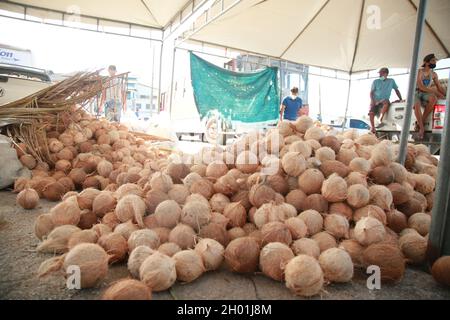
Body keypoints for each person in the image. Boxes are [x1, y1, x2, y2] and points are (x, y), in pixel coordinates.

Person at [414, 53, 446, 139]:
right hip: (416, 92)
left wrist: (445, 95)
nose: (435, 62)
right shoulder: (420, 71)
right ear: (426, 62)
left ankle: (419, 123)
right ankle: (421, 128)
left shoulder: (434, 74)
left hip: (425, 93)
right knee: (416, 103)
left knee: (434, 98)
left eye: (435, 60)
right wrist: (434, 91)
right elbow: (420, 86)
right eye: (433, 60)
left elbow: (439, 87)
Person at [369, 67, 403, 133]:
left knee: (386, 101)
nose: (379, 75)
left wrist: (400, 99)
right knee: (371, 113)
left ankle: (380, 120)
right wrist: (372, 101)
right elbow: (371, 92)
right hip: (375, 100)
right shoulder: (375, 81)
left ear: (386, 74)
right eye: (379, 74)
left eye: (381, 74)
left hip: (384, 100)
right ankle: (373, 128)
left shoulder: (391, 81)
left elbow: (396, 90)